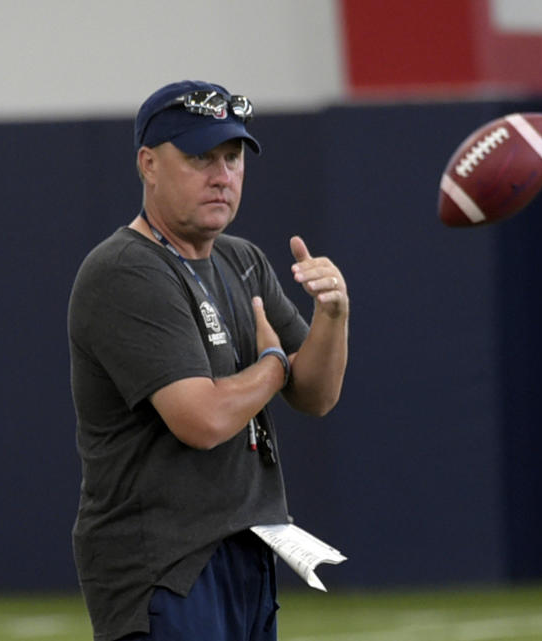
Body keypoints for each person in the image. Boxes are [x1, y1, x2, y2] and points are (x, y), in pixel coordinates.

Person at [67, 80, 349, 641]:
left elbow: (316, 395)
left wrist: (332, 315)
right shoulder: (126, 269)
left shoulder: (241, 259)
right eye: (199, 157)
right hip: (165, 567)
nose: (222, 175)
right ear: (148, 163)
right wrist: (273, 363)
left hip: (247, 551)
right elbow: (203, 420)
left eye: (233, 156)